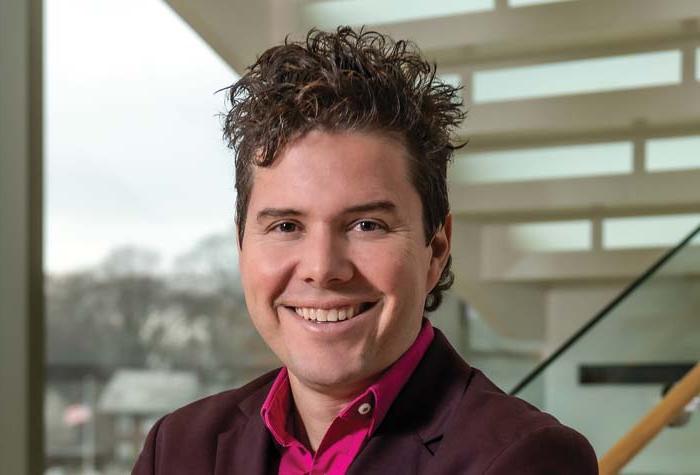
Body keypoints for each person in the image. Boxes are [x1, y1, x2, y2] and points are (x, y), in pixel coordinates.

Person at [133, 27, 598, 474]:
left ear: (435, 249)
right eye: (286, 225)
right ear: (241, 246)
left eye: (366, 225)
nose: (322, 268)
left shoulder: (527, 460)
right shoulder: (178, 448)